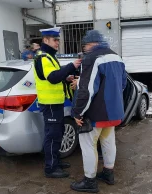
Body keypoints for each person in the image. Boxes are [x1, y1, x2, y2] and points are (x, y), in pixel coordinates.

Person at [70, 30, 127, 193]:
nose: (85, 49)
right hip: (113, 113)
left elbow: (86, 90)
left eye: (85, 45)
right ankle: (108, 174)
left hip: (95, 114)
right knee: (108, 142)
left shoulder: (92, 58)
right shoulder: (116, 57)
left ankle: (89, 181)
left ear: (92, 43)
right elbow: (123, 85)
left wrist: (77, 112)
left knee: (88, 145)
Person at [33, 27, 81, 178]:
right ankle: (51, 168)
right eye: (55, 40)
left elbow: (56, 76)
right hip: (50, 104)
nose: (57, 43)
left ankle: (56, 161)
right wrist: (71, 66)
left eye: (58, 40)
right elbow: (52, 77)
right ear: (45, 40)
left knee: (58, 134)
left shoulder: (50, 57)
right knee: (52, 136)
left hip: (56, 103)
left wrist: (65, 78)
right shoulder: (43, 57)